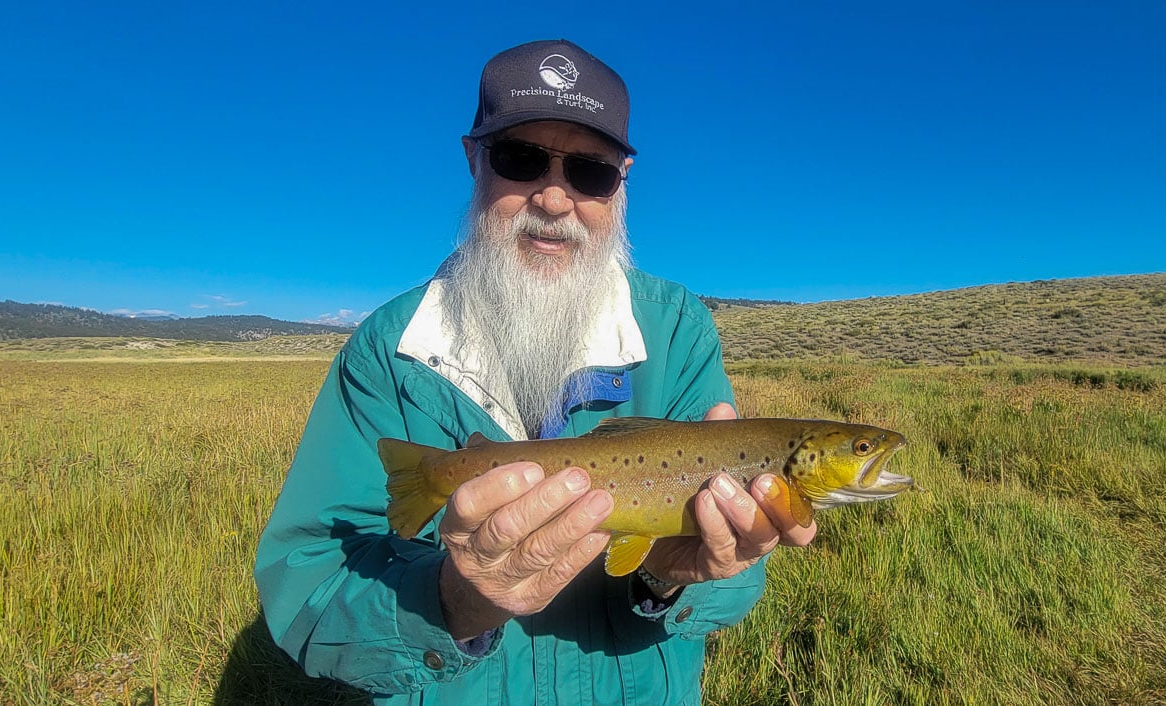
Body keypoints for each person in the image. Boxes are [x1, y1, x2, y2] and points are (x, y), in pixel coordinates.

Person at [254, 38, 816, 706]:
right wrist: (453, 602)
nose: (554, 198)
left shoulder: (677, 329)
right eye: (520, 159)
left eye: (590, 173)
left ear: (623, 180)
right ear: (473, 161)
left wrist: (678, 577)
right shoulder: (389, 349)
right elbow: (306, 588)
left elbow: (733, 587)